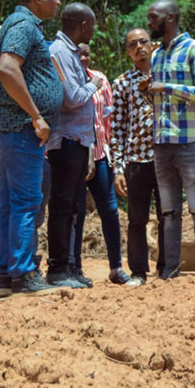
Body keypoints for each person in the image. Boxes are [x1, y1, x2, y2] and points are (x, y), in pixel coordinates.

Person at [0, 0, 64, 296]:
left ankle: (6, 275)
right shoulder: (22, 25)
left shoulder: (19, 25)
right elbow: (7, 69)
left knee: (10, 203)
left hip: (13, 128)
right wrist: (36, 115)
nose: (58, 2)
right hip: (22, 128)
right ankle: (23, 275)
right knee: (26, 202)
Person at [141, 0, 195, 279]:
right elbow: (159, 97)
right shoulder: (157, 54)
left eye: (153, 17)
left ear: (170, 17)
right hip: (162, 142)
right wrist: (149, 90)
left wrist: (167, 87)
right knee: (168, 211)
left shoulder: (194, 49)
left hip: (189, 142)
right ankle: (169, 271)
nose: (149, 22)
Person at [45, 3, 101, 290]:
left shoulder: (70, 53)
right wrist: (95, 84)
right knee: (62, 206)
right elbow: (70, 97)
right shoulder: (58, 53)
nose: (93, 30)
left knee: (74, 207)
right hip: (65, 140)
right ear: (82, 25)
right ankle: (56, 268)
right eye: (92, 25)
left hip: (79, 140)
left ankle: (69, 266)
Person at [72, 43, 130, 285]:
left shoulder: (100, 78)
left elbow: (110, 114)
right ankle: (74, 268)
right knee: (75, 214)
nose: (83, 58)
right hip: (73, 159)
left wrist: (109, 149)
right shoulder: (64, 80)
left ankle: (116, 267)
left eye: (86, 53)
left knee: (110, 210)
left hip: (99, 155)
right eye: (78, 54)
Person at [111, 28, 164, 287]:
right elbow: (117, 129)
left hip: (166, 159)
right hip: (136, 161)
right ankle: (138, 272)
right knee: (137, 219)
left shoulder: (167, 77)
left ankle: (166, 269)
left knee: (168, 214)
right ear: (128, 51)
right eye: (133, 44)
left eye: (144, 41)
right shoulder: (122, 83)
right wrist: (118, 168)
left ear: (152, 45)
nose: (139, 47)